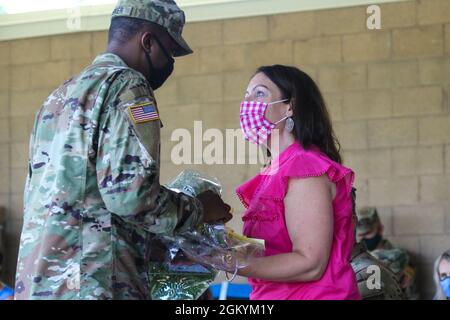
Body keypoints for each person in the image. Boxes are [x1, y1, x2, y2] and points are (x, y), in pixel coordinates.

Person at [14, 0, 231, 300]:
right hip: (95, 284)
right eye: (169, 52)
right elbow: (131, 198)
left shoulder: (60, 96)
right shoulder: (130, 87)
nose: (170, 64)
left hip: (42, 283)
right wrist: (199, 209)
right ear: (148, 42)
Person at [235, 65, 360, 300]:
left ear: (290, 106)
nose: (247, 103)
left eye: (260, 94)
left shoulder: (305, 168)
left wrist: (231, 262)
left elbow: (310, 263)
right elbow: (272, 249)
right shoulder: (275, 170)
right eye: (246, 95)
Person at [356, 207, 419, 299]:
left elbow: (413, 295)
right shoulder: (356, 260)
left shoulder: (402, 258)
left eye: (368, 233)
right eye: (361, 235)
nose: (364, 238)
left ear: (380, 229)